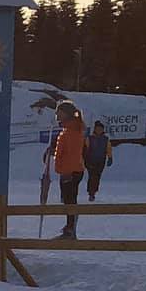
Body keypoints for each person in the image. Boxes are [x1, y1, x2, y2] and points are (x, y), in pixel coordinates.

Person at [44, 100, 86, 239]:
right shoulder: (68, 130)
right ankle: (69, 227)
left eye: (59, 112)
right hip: (69, 170)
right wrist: (53, 151)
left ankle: (70, 229)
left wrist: (68, 171)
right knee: (68, 199)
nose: (56, 115)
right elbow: (64, 150)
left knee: (70, 200)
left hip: (71, 171)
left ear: (66, 114)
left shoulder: (72, 131)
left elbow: (73, 153)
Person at [86, 119, 115, 202]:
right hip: (91, 160)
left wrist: (110, 158)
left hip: (101, 160)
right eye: (97, 129)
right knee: (92, 176)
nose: (99, 130)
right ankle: (91, 193)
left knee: (97, 176)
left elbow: (108, 149)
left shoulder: (105, 139)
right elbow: (86, 149)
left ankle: (94, 191)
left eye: (100, 129)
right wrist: (85, 159)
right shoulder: (90, 138)